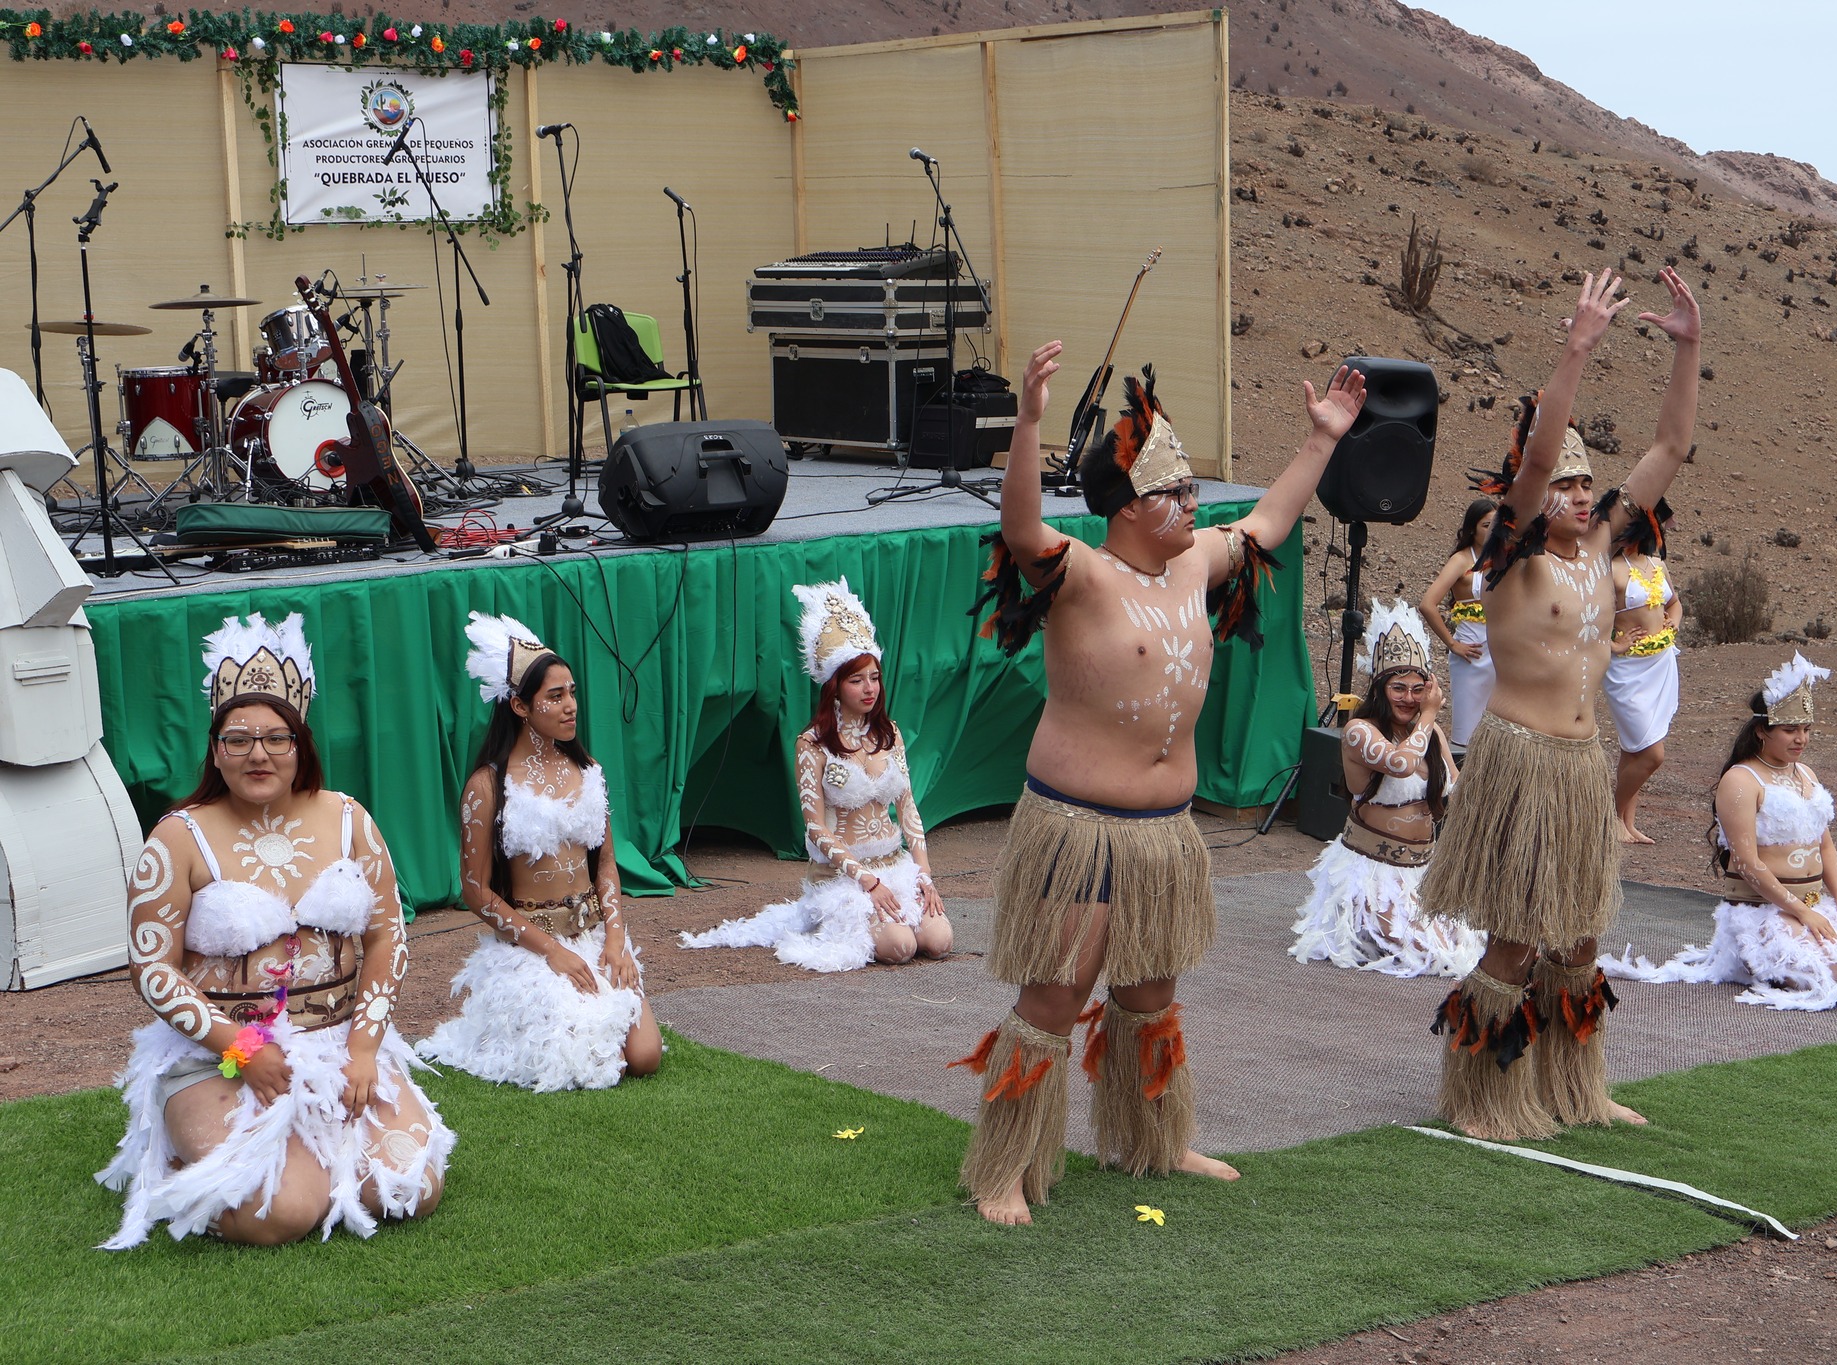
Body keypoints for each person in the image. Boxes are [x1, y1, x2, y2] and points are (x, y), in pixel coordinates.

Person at [953, 345, 1365, 1224]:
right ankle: (1004, 1167)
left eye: (1189, 493)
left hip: (1163, 832)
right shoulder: (1083, 576)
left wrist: (1321, 440)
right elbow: (1021, 528)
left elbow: (1266, 524)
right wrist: (1028, 422)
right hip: (1078, 825)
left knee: (1149, 995)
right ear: (1129, 507)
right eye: (1174, 494)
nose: (1190, 506)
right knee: (1056, 996)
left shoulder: (1192, 567)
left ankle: (1153, 1138)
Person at [1416, 265, 1700, 1142]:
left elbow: (1670, 449)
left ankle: (1578, 1086)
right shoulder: (1510, 558)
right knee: (1513, 940)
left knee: (1579, 943)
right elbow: (1535, 460)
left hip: (1582, 765)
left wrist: (1690, 350)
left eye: (1589, 484)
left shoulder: (1608, 547)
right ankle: (1484, 1094)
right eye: (1567, 486)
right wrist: (1575, 350)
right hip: (1518, 758)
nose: (1580, 493)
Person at [97, 613, 451, 1248]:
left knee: (407, 1187)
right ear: (215, 749)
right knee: (281, 1213)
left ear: (300, 745)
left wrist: (364, 1049)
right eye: (238, 739)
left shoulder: (350, 819)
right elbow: (150, 967)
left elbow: (386, 937)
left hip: (341, 1042)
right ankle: (177, 1156)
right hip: (222, 1057)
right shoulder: (178, 836)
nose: (257, 753)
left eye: (275, 738)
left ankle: (311, 1144)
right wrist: (240, 1048)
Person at [1602, 655, 1837, 1019]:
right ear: (1762, 730)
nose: (1800, 738)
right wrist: (1802, 911)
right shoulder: (1742, 781)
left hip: (1810, 906)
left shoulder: (1806, 773)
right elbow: (1747, 862)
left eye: (1806, 729)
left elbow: (1825, 845)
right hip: (1761, 915)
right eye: (1790, 729)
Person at [417, 613, 662, 1091]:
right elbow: (476, 892)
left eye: (571, 692)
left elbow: (606, 864)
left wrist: (615, 939)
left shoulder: (589, 768)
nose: (571, 706)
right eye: (555, 696)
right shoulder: (487, 785)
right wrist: (552, 952)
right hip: (532, 946)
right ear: (520, 706)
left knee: (645, 1056)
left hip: (592, 934)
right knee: (586, 1059)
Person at [681, 581, 951, 972]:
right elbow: (815, 828)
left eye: (874, 677)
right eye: (857, 680)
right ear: (835, 687)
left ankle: (905, 898)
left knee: (939, 941)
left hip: (895, 865)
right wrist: (866, 880)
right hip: (845, 877)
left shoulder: (890, 733)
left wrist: (923, 875)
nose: (870, 688)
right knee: (901, 947)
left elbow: (908, 809)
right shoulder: (812, 743)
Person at [1291, 600, 1481, 977]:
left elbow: (1457, 792)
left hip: (1422, 872)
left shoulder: (1430, 732)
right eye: (1398, 688)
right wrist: (1428, 715)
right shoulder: (1359, 731)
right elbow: (1400, 763)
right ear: (1380, 688)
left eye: (1417, 690)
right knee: (1430, 956)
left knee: (1473, 948)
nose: (1409, 699)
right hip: (1371, 875)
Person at [1603, 508, 1684, 843]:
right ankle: (1609, 817)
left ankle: (1627, 823)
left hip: (1661, 663)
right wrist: (1614, 644)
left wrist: (1673, 622)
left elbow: (1675, 602)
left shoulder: (1657, 564)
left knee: (1633, 750)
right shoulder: (1611, 570)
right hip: (1627, 670)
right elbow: (1589, 618)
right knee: (1652, 754)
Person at [1419, 498, 1499, 759]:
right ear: (1472, 529)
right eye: (1486, 524)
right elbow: (1428, 604)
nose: (1493, 530)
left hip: (1502, 651)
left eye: (1497, 524)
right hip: (1471, 651)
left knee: (1498, 725)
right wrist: (1452, 644)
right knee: (1468, 728)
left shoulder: (1503, 559)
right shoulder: (1461, 560)